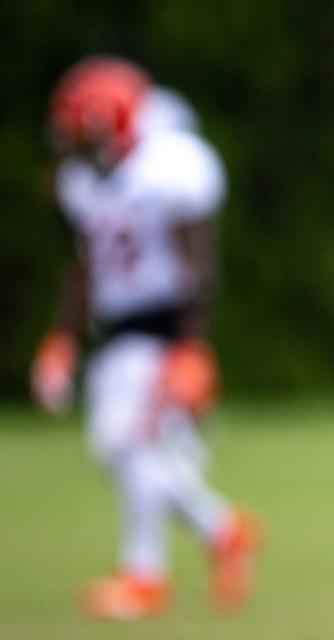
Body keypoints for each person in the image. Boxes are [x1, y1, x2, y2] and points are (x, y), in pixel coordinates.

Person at [31, 56, 260, 619]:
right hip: (116, 332)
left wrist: (191, 346)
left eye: (83, 131)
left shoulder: (167, 173)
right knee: (127, 450)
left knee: (131, 446)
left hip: (161, 328)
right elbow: (85, 267)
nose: (74, 145)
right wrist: (62, 338)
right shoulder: (84, 182)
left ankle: (145, 574)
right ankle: (224, 529)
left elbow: (197, 265)